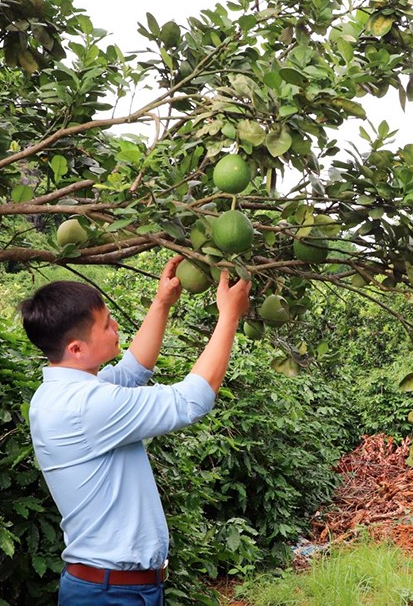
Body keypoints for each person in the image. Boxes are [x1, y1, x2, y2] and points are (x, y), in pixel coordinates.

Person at [18, 256, 251, 606]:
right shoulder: (86, 405)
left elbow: (131, 372)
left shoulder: (58, 393)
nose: (116, 328)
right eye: (105, 325)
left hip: (111, 587)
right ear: (76, 349)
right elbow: (191, 401)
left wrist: (161, 304)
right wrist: (229, 316)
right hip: (111, 594)